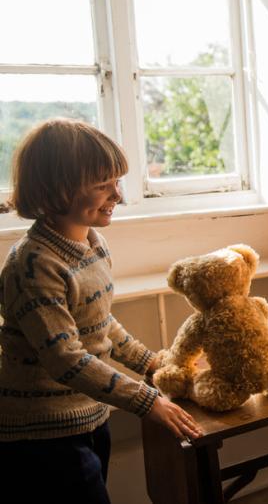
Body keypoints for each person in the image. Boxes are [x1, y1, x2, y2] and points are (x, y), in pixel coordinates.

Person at [0, 119, 203, 504]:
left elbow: (99, 322)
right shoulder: (32, 265)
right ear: (58, 189)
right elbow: (65, 358)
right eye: (102, 185)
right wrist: (146, 401)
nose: (118, 196)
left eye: (117, 182)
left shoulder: (94, 244)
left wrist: (150, 362)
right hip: (41, 433)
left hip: (91, 414)